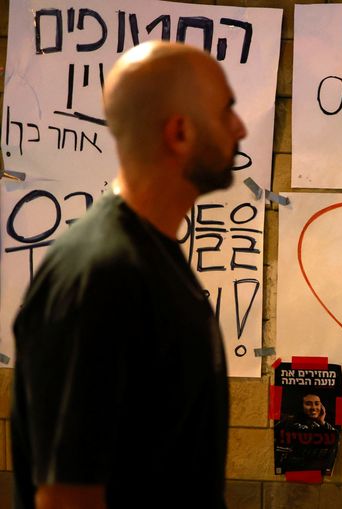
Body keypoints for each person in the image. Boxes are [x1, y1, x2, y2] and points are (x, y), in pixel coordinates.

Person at [11, 41, 247, 509]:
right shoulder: (102, 276)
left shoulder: (151, 257)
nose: (240, 128)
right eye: (227, 111)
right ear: (180, 133)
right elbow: (66, 498)